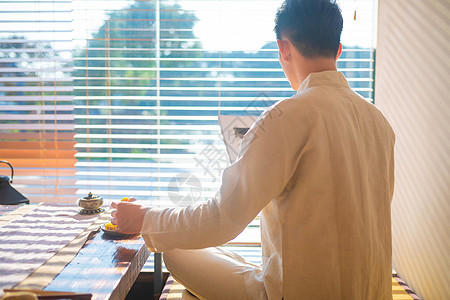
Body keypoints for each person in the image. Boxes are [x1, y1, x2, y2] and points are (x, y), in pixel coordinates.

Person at [111, 0, 395, 299]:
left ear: (283, 48)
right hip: (370, 291)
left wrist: (145, 219)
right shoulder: (379, 121)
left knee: (176, 250)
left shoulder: (286, 117)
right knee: (220, 256)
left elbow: (221, 219)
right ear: (338, 50)